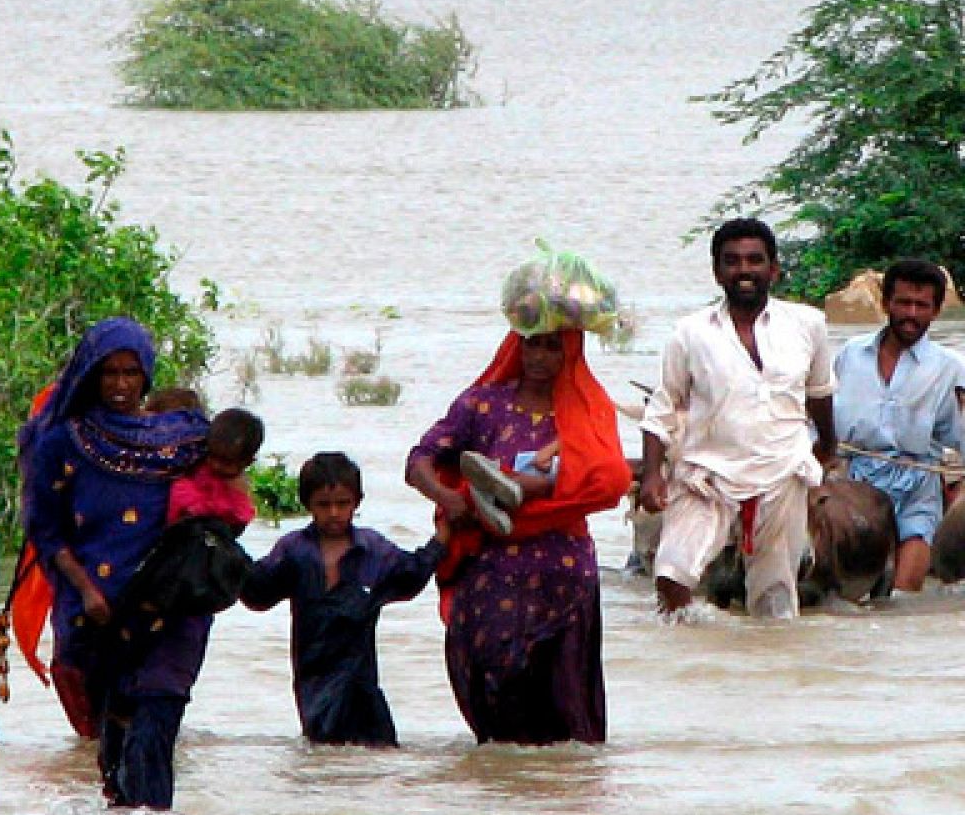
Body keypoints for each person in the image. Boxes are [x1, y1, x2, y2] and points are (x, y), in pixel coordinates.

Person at [19, 317, 211, 810]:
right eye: (110, 373)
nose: (121, 385)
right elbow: (46, 529)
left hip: (171, 613)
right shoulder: (61, 441)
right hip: (98, 614)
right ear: (89, 376)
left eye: (132, 373)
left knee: (156, 725)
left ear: (147, 376)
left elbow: (224, 488)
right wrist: (85, 589)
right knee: (115, 745)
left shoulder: (182, 439)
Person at [407, 329, 631, 745]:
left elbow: (609, 479)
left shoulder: (585, 413)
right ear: (517, 346)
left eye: (553, 347)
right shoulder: (482, 405)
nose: (540, 357)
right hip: (493, 571)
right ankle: (506, 793)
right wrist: (444, 497)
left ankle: (514, 487)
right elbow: (419, 459)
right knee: (491, 690)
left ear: (571, 353)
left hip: (561, 581)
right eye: (532, 343)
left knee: (564, 711)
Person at [640, 218, 838, 618]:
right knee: (672, 573)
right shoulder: (689, 333)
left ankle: (763, 674)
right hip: (707, 476)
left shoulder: (808, 325)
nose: (744, 270)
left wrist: (826, 449)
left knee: (775, 597)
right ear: (717, 273)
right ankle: (688, 664)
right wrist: (651, 474)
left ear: (773, 269)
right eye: (732, 261)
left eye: (754, 260)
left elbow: (819, 394)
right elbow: (663, 409)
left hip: (781, 473)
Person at [242, 452, 445, 746]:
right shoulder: (295, 551)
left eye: (343, 504)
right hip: (313, 676)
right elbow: (258, 592)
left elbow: (411, 576)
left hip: (361, 680)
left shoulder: (372, 550)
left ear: (357, 502)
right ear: (307, 504)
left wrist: (442, 540)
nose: (334, 513)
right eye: (324, 505)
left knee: (373, 753)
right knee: (325, 750)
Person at [833, 259, 964, 592]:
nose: (912, 313)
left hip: (916, 479)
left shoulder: (950, 368)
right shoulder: (851, 353)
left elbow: (960, 435)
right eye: (904, 302)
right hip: (855, 476)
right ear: (886, 303)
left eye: (922, 305)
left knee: (906, 588)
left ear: (935, 311)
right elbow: (822, 418)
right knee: (848, 585)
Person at [166, 407, 263, 531]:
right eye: (212, 456)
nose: (216, 465)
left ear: (247, 462)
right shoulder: (196, 464)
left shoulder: (237, 486)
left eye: (226, 462)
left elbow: (240, 518)